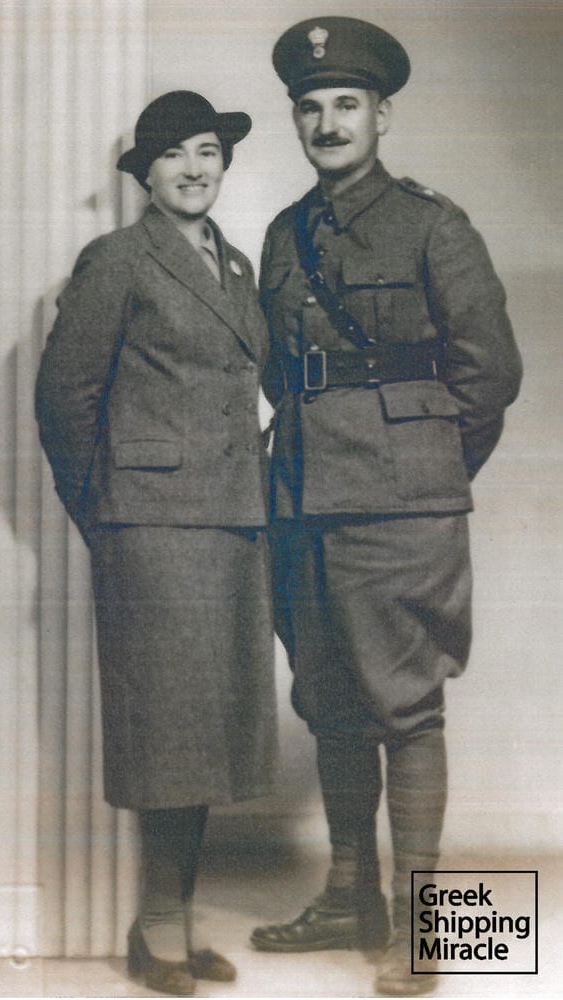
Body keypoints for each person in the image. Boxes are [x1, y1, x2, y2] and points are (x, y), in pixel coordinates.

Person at [249, 16, 522, 996]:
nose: (327, 123)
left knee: (403, 707)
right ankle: (346, 895)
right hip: (302, 501)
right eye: (311, 108)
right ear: (296, 120)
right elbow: (281, 375)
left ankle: (419, 923)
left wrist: (423, 467)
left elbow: (489, 373)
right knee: (328, 699)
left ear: (382, 115)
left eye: (346, 105)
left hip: (401, 509)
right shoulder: (283, 234)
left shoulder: (430, 225)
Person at [35, 90, 277, 998]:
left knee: (206, 733)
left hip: (232, 524)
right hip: (154, 529)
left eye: (207, 151)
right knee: (167, 733)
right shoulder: (118, 259)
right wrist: (107, 515)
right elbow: (64, 400)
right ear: (146, 173)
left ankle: (163, 919)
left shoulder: (235, 264)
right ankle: (160, 930)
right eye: (173, 154)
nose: (193, 169)